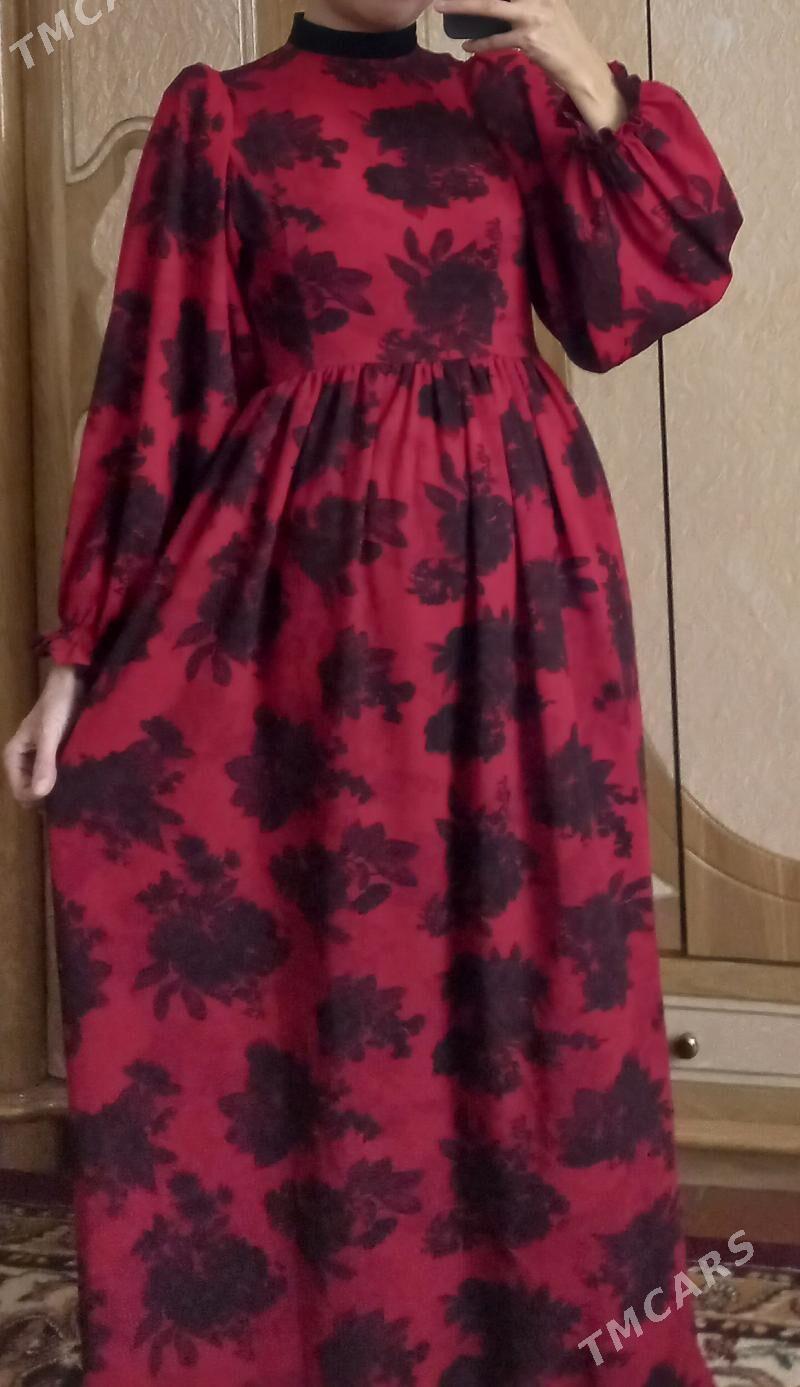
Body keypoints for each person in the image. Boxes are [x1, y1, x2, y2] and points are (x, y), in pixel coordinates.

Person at [4, 1, 742, 1382]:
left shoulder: (511, 103)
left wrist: (575, 61)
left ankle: (541, 1335)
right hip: (307, 615)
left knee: (530, 944)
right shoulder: (222, 116)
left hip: (526, 600)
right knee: (346, 944)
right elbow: (156, 391)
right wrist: (78, 658)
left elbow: (655, 283)